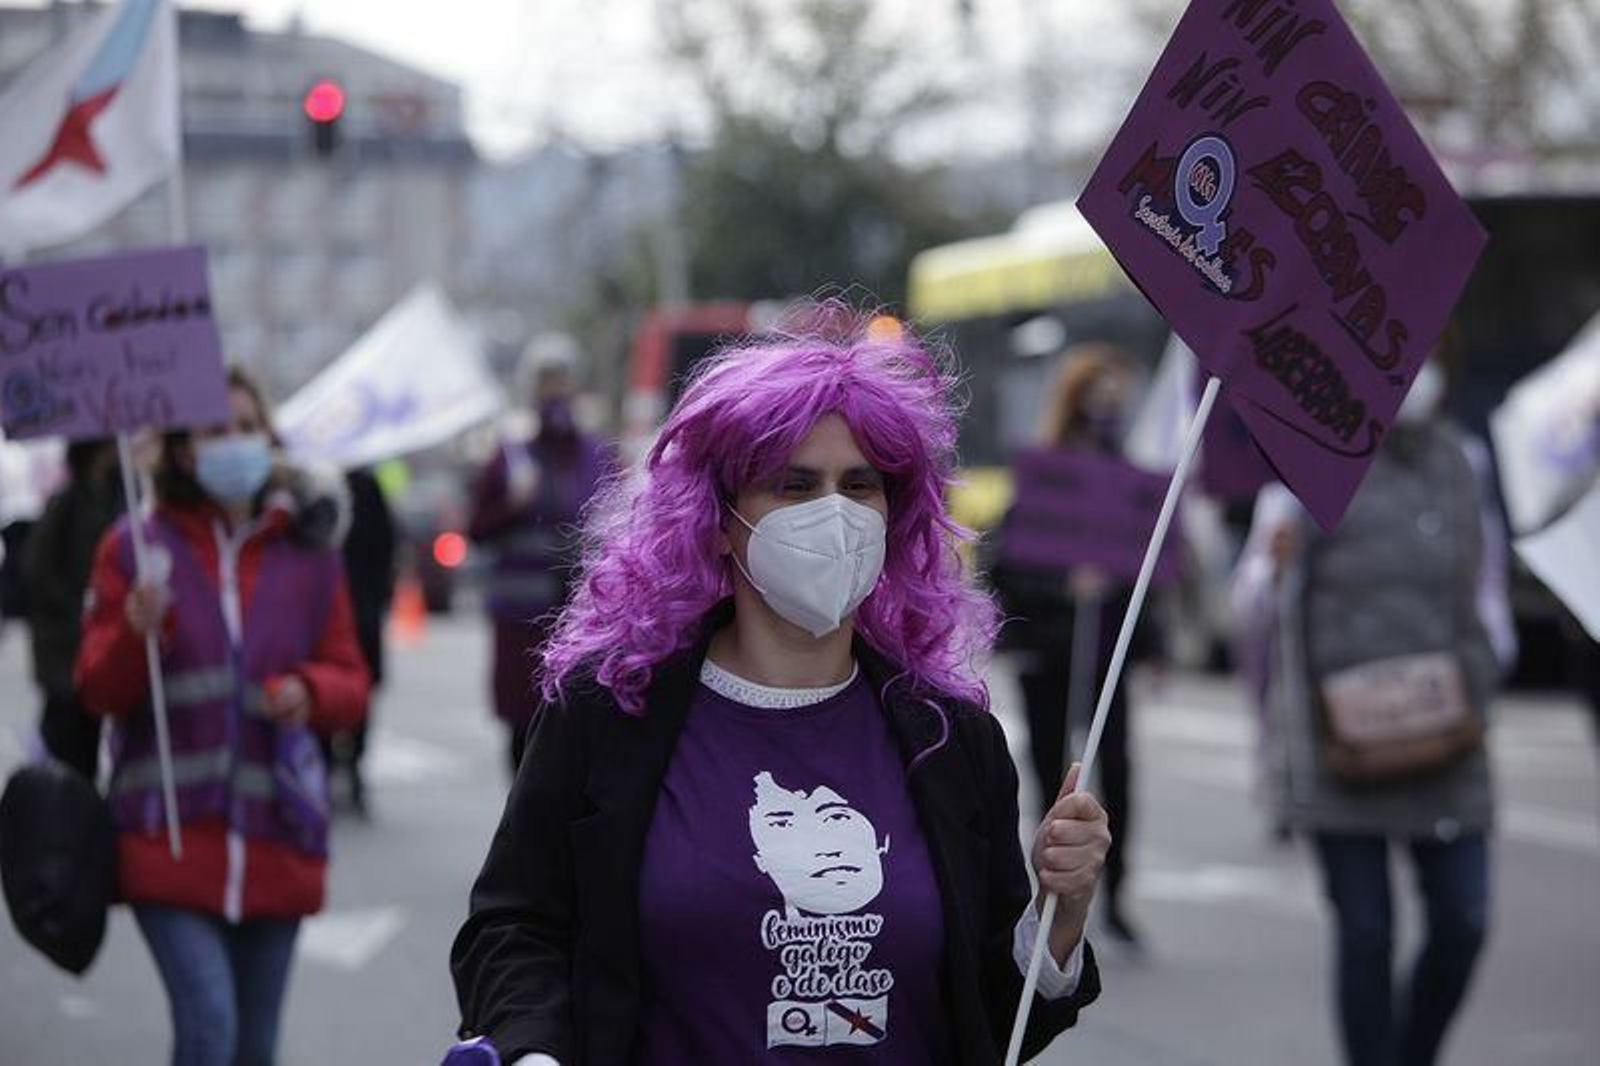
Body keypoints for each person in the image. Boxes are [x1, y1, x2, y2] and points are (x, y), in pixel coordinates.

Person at [450, 310, 1110, 1065]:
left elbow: (990, 1019)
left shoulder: (950, 735)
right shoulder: (608, 712)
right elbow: (512, 928)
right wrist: (534, 1053)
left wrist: (1060, 922)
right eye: (793, 486)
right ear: (719, 521)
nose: (834, 513)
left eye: (859, 485)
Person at [75, 367, 370, 1066]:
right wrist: (131, 631)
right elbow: (94, 690)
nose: (232, 443)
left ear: (268, 439)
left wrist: (309, 689)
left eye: (246, 428)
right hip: (169, 840)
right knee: (209, 1032)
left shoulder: (309, 550)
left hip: (280, 838)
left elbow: (352, 681)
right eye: (214, 430)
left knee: (254, 1050)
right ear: (181, 449)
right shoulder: (132, 549)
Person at [1231, 345, 1506, 1066]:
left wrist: (1482, 676)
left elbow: (1487, 591)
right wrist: (1273, 569)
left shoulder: (1460, 462)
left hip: (1444, 730)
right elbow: (1255, 608)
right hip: (1337, 740)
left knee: (1464, 920)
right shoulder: (1307, 465)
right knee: (1366, 932)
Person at [992, 344, 1152, 946]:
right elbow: (1007, 567)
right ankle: (1049, 892)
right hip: (1049, 652)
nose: (1107, 408)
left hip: (1106, 652)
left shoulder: (1126, 477)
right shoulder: (1044, 478)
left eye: (1116, 397)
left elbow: (1145, 565)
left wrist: (1151, 639)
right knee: (1054, 774)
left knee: (1119, 771)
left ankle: (1117, 894)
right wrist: (1065, 586)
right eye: (1097, 395)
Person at [467, 335, 611, 772]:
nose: (555, 393)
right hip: (521, 624)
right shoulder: (511, 458)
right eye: (546, 382)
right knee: (524, 734)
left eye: (562, 381)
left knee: (580, 733)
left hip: (583, 622)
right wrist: (511, 503)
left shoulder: (599, 456)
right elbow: (476, 530)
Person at [23, 438, 123, 780]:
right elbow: (38, 569)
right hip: (66, 647)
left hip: (96, 642)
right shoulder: (66, 503)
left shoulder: (117, 497)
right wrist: (75, 607)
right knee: (70, 746)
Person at [319, 465, 398, 816]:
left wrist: (379, 599)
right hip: (331, 609)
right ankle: (330, 765)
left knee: (360, 692)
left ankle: (352, 766)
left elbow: (386, 546)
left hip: (362, 609)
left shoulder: (366, 484)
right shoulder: (317, 486)